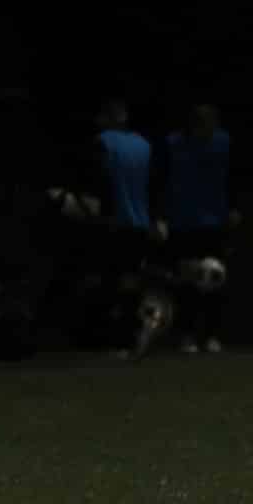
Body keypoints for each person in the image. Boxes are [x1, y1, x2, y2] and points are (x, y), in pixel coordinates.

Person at [159, 103, 235, 354]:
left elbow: (232, 176)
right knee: (186, 282)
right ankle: (187, 336)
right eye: (201, 123)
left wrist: (233, 208)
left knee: (215, 279)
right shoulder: (173, 144)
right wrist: (162, 216)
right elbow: (162, 179)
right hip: (183, 222)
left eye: (210, 122)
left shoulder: (223, 143)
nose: (206, 128)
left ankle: (212, 335)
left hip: (215, 222)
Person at [89, 99, 161, 358]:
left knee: (113, 282)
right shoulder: (144, 144)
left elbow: (101, 181)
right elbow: (152, 184)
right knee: (131, 279)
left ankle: (122, 338)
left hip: (115, 221)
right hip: (140, 222)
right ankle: (132, 334)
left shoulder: (103, 142)